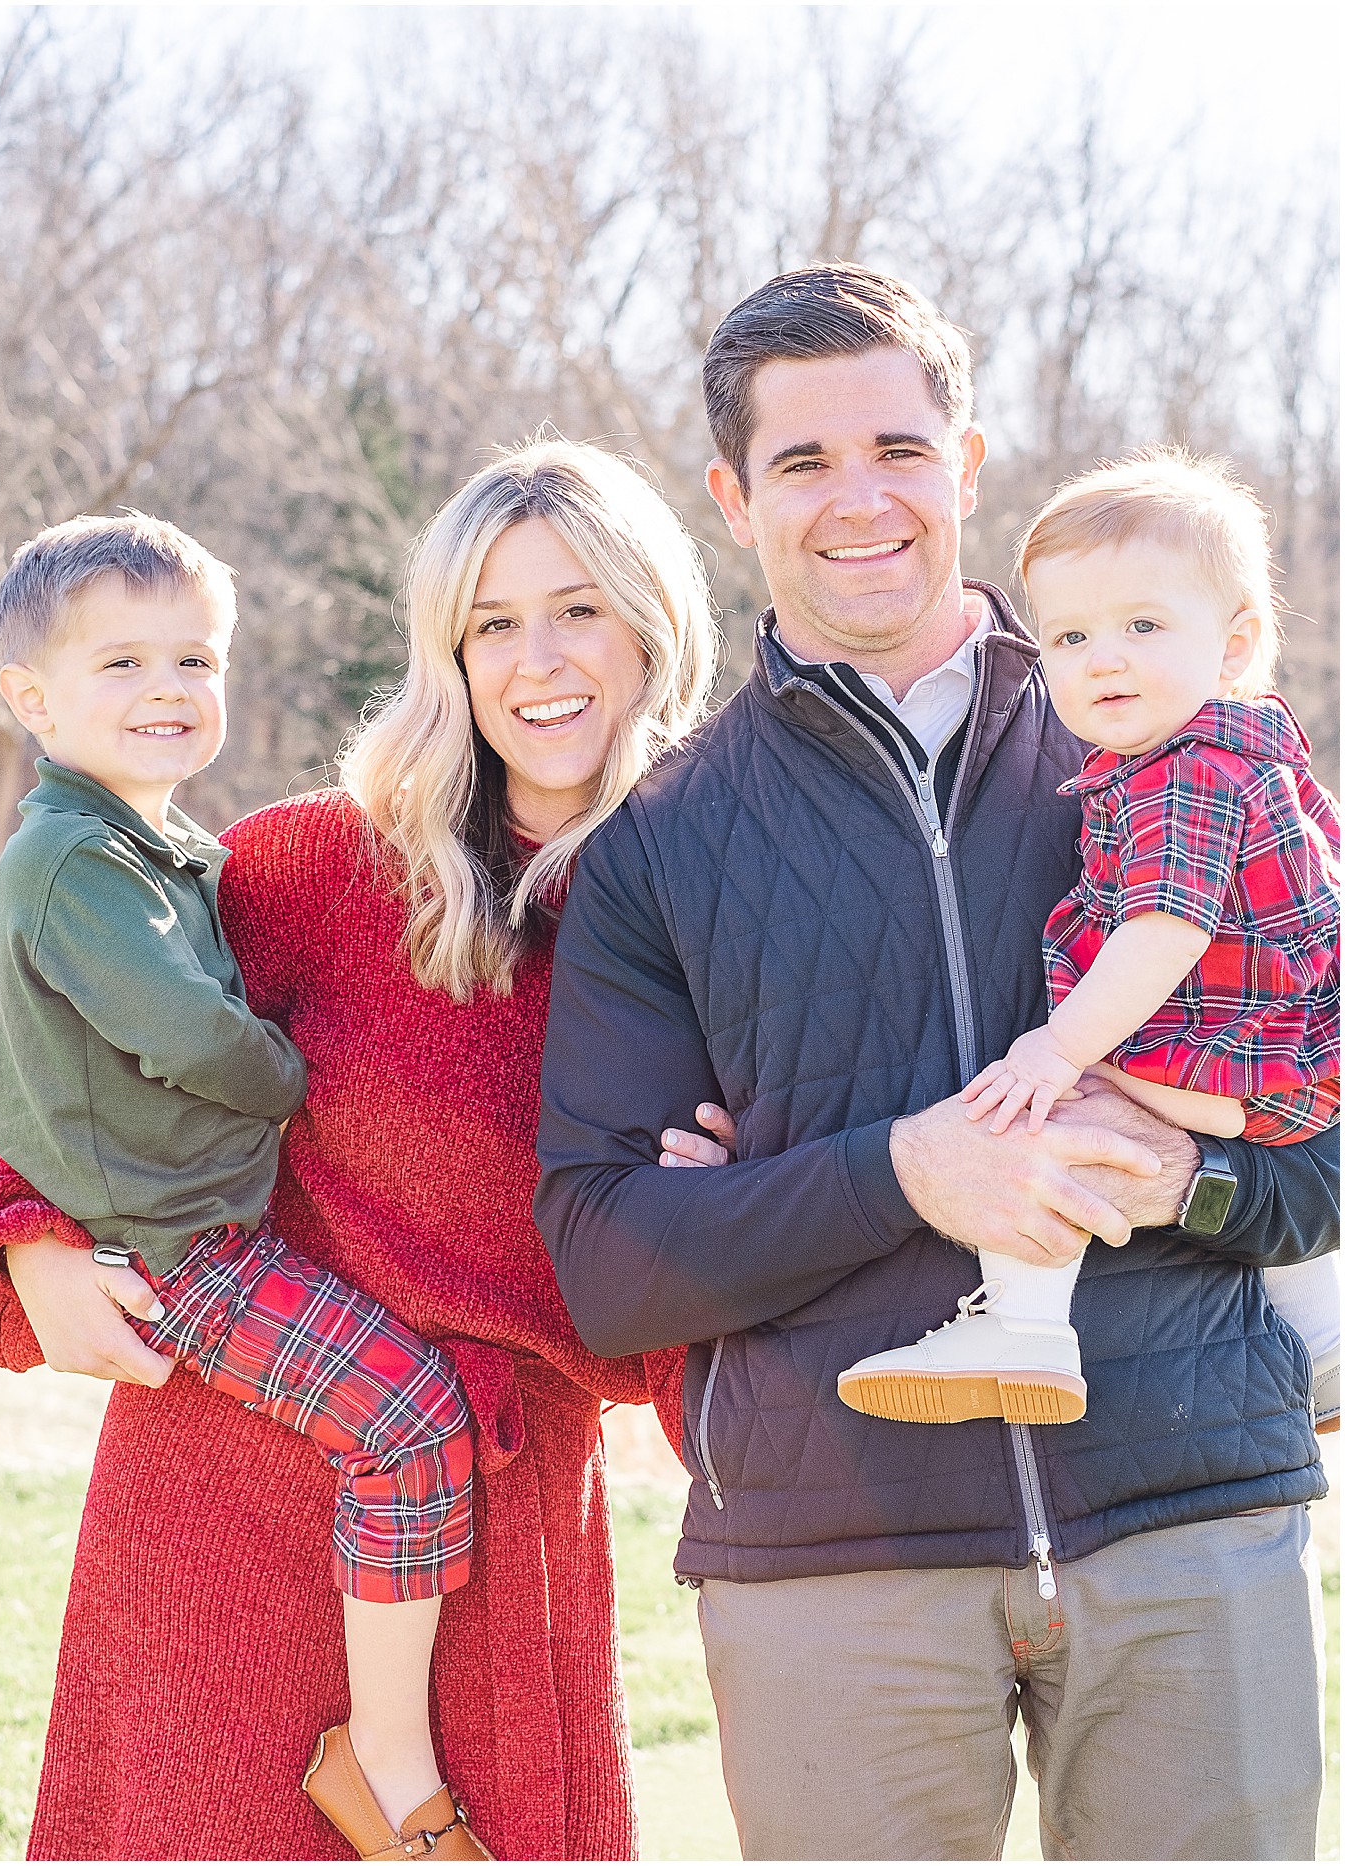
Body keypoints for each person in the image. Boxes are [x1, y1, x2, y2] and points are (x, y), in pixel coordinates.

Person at [534, 266, 1337, 1861]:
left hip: (1186, 1524)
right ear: (732, 494)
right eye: (804, 463)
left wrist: (1189, 1167)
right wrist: (900, 1166)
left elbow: (1319, 1147)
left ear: (965, 464)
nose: (862, 500)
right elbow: (612, 1262)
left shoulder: (1182, 744)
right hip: (835, 1563)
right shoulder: (662, 845)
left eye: (899, 448)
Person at [0, 437, 719, 1862]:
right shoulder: (322, 862)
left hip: (500, 1541)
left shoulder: (714, 915)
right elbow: (76, 1046)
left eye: (580, 608)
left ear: (654, 626)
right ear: (450, 653)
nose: (537, 658)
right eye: (494, 621)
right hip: (225, 1509)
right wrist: (30, 1240)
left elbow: (735, 1289)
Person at [0, 509, 490, 1861]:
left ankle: (386, 1740)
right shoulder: (74, 859)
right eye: (125, 666)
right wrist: (288, 1068)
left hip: (199, 1235)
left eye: (195, 661)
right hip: (178, 1249)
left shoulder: (159, 846)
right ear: (30, 699)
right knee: (405, 1419)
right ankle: (385, 1758)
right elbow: (190, 1029)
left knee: (402, 1419)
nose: (170, 692)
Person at [839, 448, 1340, 1432]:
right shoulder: (1249, 757)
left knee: (1035, 1112)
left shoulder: (1185, 773)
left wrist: (1058, 1047)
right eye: (1067, 636)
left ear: (1232, 644)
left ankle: (1023, 1329)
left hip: (1229, 1056)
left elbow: (1163, 928)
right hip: (1288, 1068)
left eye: (1140, 626)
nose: (1100, 657)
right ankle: (1326, 1350)